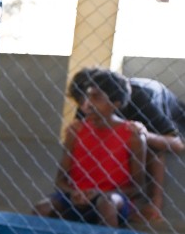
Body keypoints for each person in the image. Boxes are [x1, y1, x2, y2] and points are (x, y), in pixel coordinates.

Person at [29, 68, 147, 234]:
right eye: (85, 98)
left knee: (107, 203)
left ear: (115, 104)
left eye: (96, 98)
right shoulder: (76, 130)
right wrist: (73, 192)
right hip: (76, 196)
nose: (87, 104)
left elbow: (137, 186)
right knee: (40, 209)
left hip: (112, 200)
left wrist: (97, 193)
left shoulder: (132, 134)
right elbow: (61, 178)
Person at [69, 68, 184, 222]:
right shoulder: (86, 104)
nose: (85, 108)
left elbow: (177, 144)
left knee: (148, 144)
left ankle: (154, 204)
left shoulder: (140, 97)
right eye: (81, 102)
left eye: (92, 99)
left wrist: (144, 134)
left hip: (172, 121)